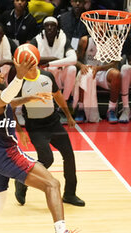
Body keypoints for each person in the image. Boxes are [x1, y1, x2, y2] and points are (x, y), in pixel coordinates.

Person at [0, 55, 75, 233]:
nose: (2, 76)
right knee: (52, 184)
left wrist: (28, 98)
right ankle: (61, 230)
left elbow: (6, 102)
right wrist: (19, 76)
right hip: (7, 154)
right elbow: (3, 98)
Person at [13, 63, 85, 208]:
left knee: (69, 156)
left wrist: (68, 115)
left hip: (53, 123)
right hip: (35, 127)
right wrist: (20, 131)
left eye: (33, 64)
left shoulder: (47, 76)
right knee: (47, 159)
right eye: (28, 65)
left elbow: (58, 96)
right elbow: (10, 109)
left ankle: (69, 194)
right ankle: (22, 180)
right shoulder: (19, 83)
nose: (31, 67)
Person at [30, 16, 77, 123]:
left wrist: (50, 63)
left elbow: (73, 59)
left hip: (59, 76)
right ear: (43, 28)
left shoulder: (64, 39)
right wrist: (56, 59)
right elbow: (31, 57)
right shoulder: (37, 39)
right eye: (47, 26)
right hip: (43, 77)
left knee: (72, 69)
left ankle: (63, 104)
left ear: (57, 28)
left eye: (53, 26)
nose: (50, 28)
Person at [73, 34, 121, 123]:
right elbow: (76, 60)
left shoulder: (113, 39)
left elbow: (115, 62)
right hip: (89, 72)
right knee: (83, 73)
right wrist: (81, 66)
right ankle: (81, 109)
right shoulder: (85, 40)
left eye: (102, 24)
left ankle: (111, 110)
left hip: (103, 72)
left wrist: (99, 68)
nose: (99, 27)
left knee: (116, 74)